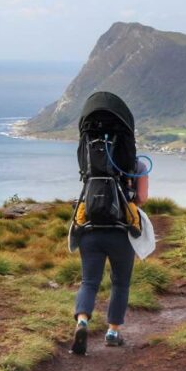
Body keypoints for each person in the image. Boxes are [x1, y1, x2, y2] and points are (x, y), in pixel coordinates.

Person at [71, 102, 149, 356]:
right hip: (121, 232)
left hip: (90, 230)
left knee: (89, 281)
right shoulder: (135, 165)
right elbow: (142, 199)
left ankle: (82, 321)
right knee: (120, 283)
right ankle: (113, 332)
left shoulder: (91, 163)